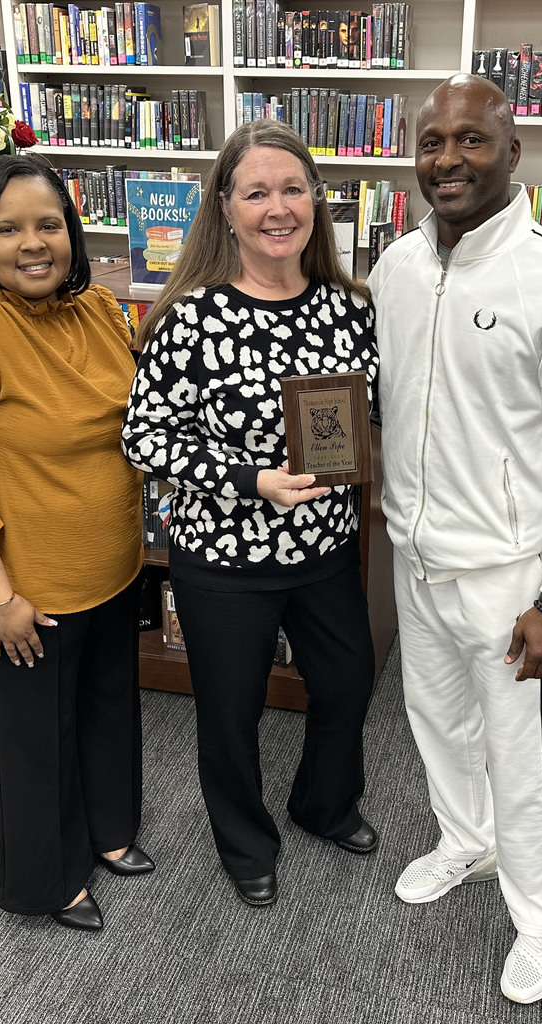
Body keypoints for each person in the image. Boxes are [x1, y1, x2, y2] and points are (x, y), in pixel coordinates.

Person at [368, 75, 542, 1004]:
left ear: (513, 153)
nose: (448, 158)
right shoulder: (394, 268)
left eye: (471, 140)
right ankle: (465, 843)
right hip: (418, 557)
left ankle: (538, 916)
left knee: (523, 759)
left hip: (513, 578)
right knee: (435, 725)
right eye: (432, 140)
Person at [122, 120, 379, 907]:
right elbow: (143, 437)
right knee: (230, 713)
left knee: (346, 684)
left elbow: (373, 413)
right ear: (225, 208)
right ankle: (244, 842)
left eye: (293, 188)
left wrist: (363, 449)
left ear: (316, 204)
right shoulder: (190, 317)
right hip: (225, 559)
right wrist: (248, 479)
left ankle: (323, 804)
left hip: (327, 549)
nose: (278, 207)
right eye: (257, 191)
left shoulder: (351, 306)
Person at [0, 154, 153, 933]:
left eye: (49, 223)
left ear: (72, 233)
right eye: (9, 228)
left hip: (113, 567)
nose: (33, 243)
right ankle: (46, 881)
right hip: (27, 591)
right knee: (35, 739)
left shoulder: (98, 312)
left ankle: (112, 831)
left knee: (110, 707)